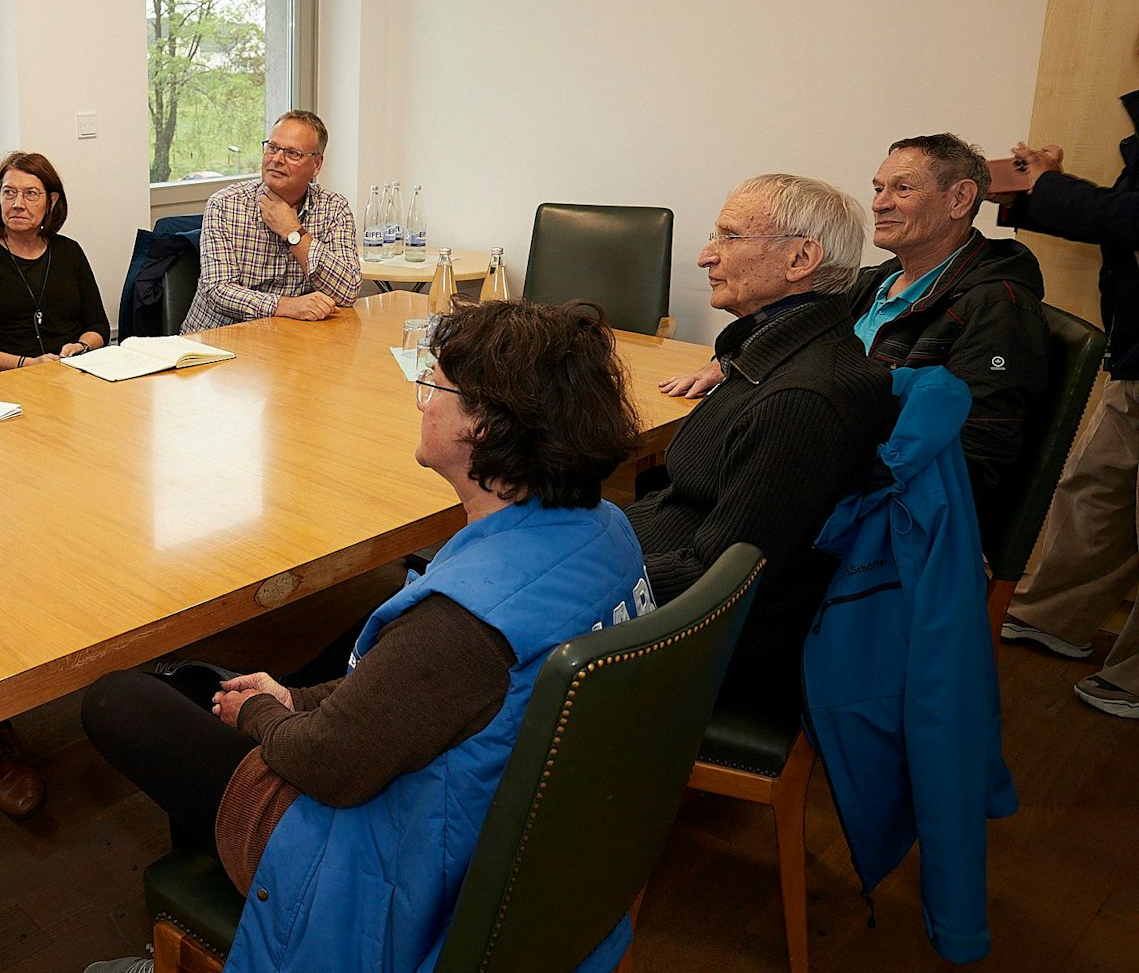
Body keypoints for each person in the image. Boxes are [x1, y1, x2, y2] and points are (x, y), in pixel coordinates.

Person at [82, 300, 656, 973]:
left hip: (381, 868)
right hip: (520, 841)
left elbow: (332, 762)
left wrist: (265, 709)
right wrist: (294, 699)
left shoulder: (461, 627)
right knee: (221, 687)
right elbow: (412, 690)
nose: (420, 401)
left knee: (121, 699)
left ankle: (197, 938)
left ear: (486, 425)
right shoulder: (608, 529)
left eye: (433, 384)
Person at [662, 135, 1047, 546]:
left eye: (902, 188)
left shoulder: (997, 307)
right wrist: (724, 364)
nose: (880, 203)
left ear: (960, 199)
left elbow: (973, 461)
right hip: (800, 480)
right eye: (878, 188)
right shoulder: (874, 282)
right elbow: (794, 340)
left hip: (859, 522)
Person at [627, 175, 895, 715]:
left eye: (729, 237)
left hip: (706, 650)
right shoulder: (771, 358)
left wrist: (576, 569)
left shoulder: (802, 399)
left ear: (801, 259)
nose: (706, 256)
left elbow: (718, 581)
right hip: (659, 581)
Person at [996, 90, 1139, 719]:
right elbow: (1121, 210)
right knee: (1098, 489)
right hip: (1136, 349)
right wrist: (1041, 188)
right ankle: (1049, 615)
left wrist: (1047, 186)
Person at [179, 110, 362, 333]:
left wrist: (294, 232)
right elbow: (217, 290)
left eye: (292, 153)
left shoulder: (333, 208)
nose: (276, 159)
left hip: (289, 343)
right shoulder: (226, 204)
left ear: (316, 164)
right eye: (272, 148)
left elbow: (347, 292)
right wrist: (286, 305)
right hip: (217, 344)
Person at [0, 151, 110, 374]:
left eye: (31, 194)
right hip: (7, 379)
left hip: (70, 375)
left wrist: (81, 347)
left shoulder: (69, 252)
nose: (17, 204)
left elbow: (98, 326)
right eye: (8, 193)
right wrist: (26, 363)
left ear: (51, 202)